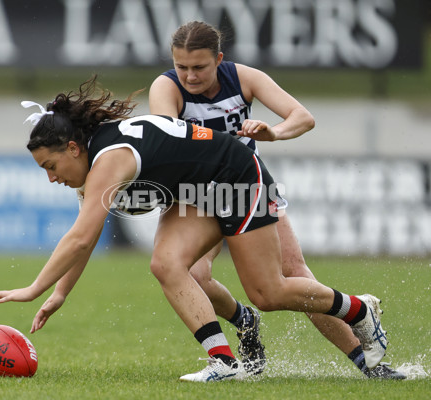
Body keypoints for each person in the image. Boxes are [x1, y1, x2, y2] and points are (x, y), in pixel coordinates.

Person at [0, 76, 390, 382]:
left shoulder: (108, 159)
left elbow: (80, 238)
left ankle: (359, 309)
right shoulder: (93, 171)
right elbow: (83, 240)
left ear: (73, 148)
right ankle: (224, 362)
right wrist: (59, 294)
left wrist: (34, 288)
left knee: (268, 292)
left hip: (234, 175)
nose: (52, 178)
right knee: (166, 264)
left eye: (50, 167)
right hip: (197, 192)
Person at [148, 20, 405, 380]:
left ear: (219, 59)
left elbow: (303, 117)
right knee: (189, 274)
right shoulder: (166, 86)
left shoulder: (243, 78)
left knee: (293, 277)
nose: (189, 76)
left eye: (199, 67)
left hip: (246, 187)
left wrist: (273, 132)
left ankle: (367, 361)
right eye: (182, 67)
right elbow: (171, 138)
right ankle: (241, 322)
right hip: (197, 194)